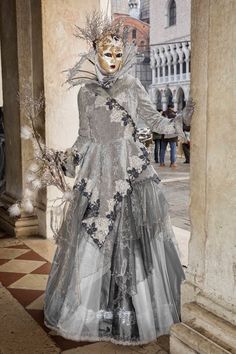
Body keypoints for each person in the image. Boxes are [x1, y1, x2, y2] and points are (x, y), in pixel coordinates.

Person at [44, 13, 194, 345]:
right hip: (96, 171)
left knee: (134, 240)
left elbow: (155, 120)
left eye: (117, 53)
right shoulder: (85, 93)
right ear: (94, 54)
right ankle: (97, 313)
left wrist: (181, 121)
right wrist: (63, 162)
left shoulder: (132, 85)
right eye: (105, 53)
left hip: (131, 169)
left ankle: (135, 313)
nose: (112, 60)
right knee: (94, 239)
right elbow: (83, 137)